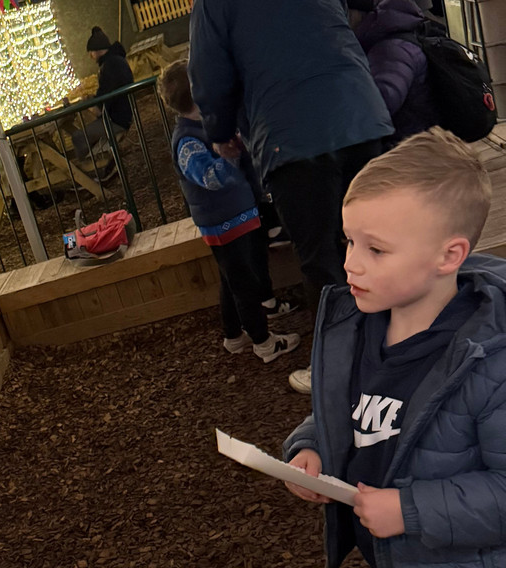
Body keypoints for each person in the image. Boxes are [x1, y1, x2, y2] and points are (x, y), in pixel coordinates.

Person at [282, 129, 506, 568]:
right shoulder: (361, 326)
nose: (351, 262)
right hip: (395, 567)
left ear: (449, 255)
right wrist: (309, 448)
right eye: (350, 241)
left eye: (375, 249)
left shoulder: (489, 363)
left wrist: (409, 509)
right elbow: (335, 410)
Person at [188, 0, 394, 394]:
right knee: (383, 241)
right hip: (361, 115)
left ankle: (340, 372)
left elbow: (208, 72)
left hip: (290, 136)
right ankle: (409, 345)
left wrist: (220, 130)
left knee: (321, 258)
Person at [158, 60, 301, 364]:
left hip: (237, 215)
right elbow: (209, 178)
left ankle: (233, 335)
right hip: (223, 222)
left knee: (230, 279)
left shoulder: (205, 125)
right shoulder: (187, 140)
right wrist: (229, 157)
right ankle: (264, 343)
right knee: (243, 284)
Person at [350, 0, 437, 145]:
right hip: (410, 143)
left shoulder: (391, 50)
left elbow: (380, 105)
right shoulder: (384, 40)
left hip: (406, 149)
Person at [71, 27, 134, 180]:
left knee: (78, 137)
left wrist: (91, 103)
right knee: (87, 133)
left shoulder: (109, 67)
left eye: (91, 52)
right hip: (123, 114)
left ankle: (86, 174)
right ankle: (107, 163)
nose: (90, 56)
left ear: (97, 50)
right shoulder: (116, 61)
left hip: (115, 120)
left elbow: (101, 106)